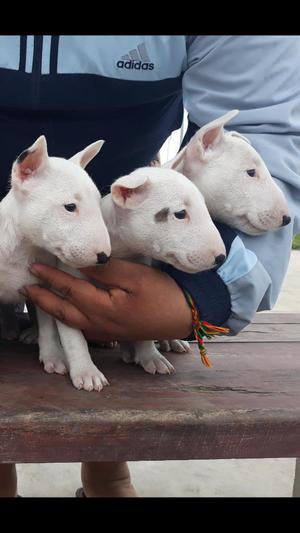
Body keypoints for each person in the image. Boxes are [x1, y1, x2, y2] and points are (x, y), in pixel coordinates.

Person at [0, 35, 299, 497]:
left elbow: (262, 124)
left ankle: (108, 472)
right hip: (42, 207)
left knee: (97, 306)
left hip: (115, 195)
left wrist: (207, 292)